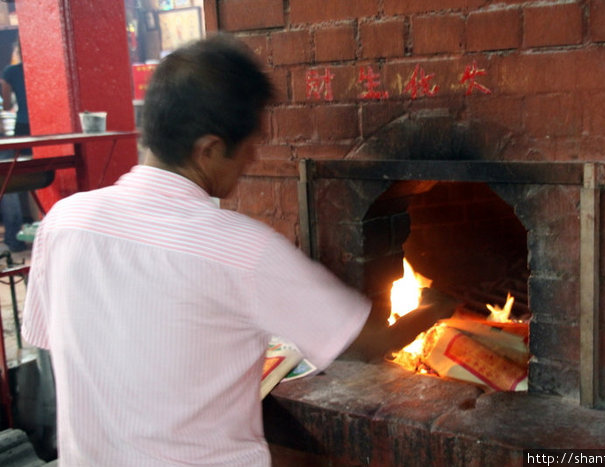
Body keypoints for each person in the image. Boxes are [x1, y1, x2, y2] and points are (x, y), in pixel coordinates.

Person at [21, 34, 372, 466]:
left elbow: (57, 342)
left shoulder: (62, 224)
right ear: (209, 149)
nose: (253, 161)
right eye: (249, 148)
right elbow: (360, 341)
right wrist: (435, 307)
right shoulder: (244, 248)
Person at [0, 40, 29, 252]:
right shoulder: (41, 68)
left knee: (8, 181)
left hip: (21, 128)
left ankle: (13, 236)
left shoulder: (11, 72)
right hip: (44, 126)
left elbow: (7, 104)